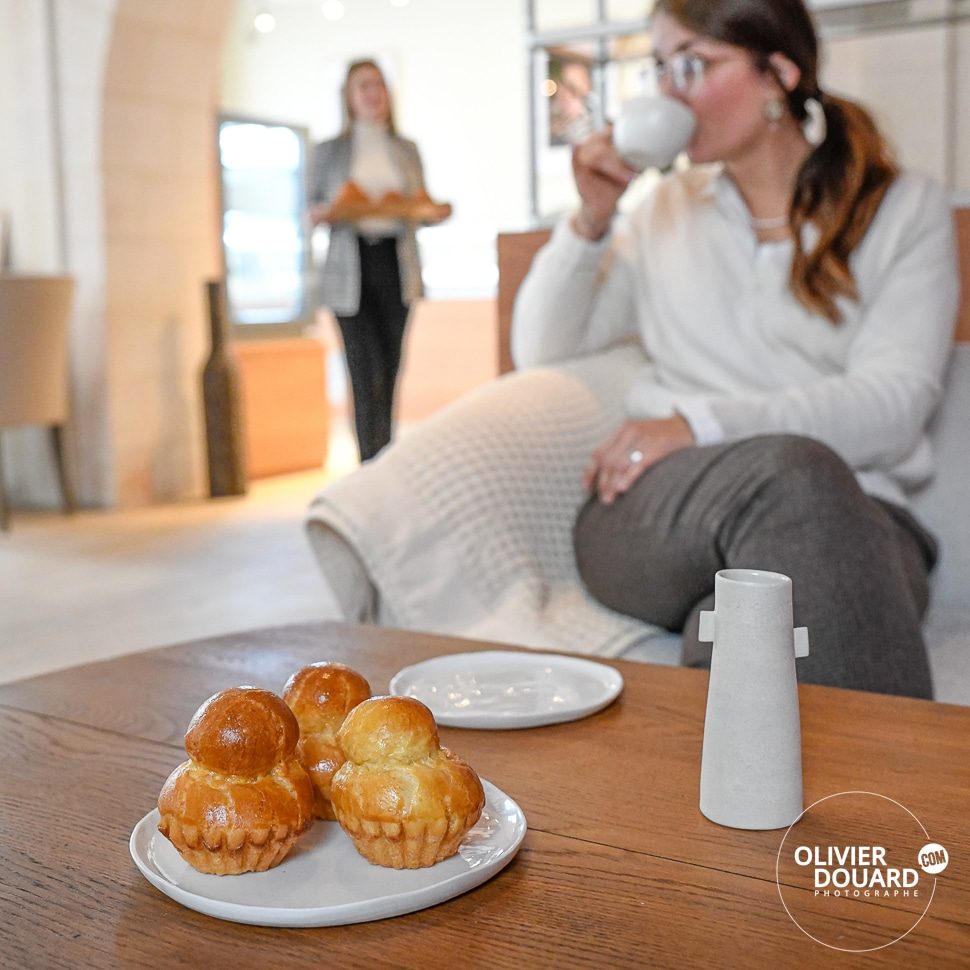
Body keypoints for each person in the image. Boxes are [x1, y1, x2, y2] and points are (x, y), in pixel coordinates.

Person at [511, 0, 959, 698]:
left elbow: (894, 405)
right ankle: (905, 805)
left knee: (753, 605)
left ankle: (730, 768)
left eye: (692, 63)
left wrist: (699, 421)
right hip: (662, 508)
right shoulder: (662, 211)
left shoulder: (904, 210)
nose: (668, 91)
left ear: (778, 72)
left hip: (862, 515)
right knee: (797, 480)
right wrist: (591, 218)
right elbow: (541, 350)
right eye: (659, 68)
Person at [310, 59, 433, 462]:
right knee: (364, 373)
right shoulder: (330, 152)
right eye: (363, 86)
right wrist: (334, 210)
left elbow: (422, 204)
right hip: (351, 267)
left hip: (395, 264)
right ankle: (368, 463)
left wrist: (421, 210)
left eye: (378, 85)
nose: (372, 93)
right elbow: (310, 208)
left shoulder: (406, 150)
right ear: (349, 95)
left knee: (391, 367)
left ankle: (386, 461)